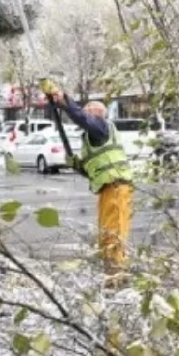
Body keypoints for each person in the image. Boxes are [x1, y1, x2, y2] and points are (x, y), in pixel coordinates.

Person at [39, 80, 134, 283]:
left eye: (89, 110)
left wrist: (63, 100)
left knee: (113, 234)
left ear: (98, 114)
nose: (85, 112)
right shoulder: (95, 136)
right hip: (108, 188)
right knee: (107, 234)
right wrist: (78, 165)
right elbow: (94, 170)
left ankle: (117, 277)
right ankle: (113, 275)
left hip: (116, 187)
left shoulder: (101, 127)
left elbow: (81, 118)